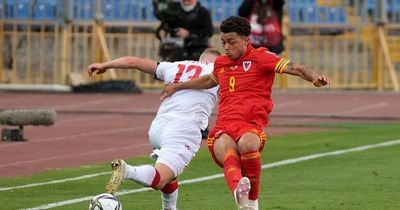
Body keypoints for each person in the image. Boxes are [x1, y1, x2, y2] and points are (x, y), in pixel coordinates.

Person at [160, 16, 330, 210]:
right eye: (223, 42)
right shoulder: (221, 63)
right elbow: (209, 81)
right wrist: (178, 86)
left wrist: (315, 77)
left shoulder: (261, 58)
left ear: (245, 40)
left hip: (250, 126)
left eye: (231, 42)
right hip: (223, 126)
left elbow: (296, 68)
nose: (226, 47)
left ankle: (252, 204)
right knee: (227, 147)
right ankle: (238, 194)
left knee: (248, 143)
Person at [86, 48, 221, 210]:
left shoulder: (175, 66)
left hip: (158, 127)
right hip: (184, 128)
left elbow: (133, 62)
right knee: (160, 179)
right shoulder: (220, 70)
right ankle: (127, 171)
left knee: (172, 173)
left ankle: (169, 208)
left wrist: (105, 65)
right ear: (218, 61)